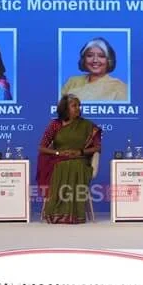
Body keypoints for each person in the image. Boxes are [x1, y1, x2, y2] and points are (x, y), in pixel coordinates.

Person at [37, 94, 102, 224]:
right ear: (65, 109)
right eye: (74, 106)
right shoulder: (55, 125)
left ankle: (74, 214)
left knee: (74, 165)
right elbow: (42, 147)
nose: (78, 108)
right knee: (62, 166)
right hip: (58, 160)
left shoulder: (88, 125)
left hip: (80, 159)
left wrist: (80, 152)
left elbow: (97, 147)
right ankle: (56, 212)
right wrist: (58, 152)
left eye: (79, 106)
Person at [60, 37, 128, 102]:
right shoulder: (72, 81)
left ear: (109, 60)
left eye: (101, 56)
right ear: (84, 59)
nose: (95, 60)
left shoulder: (120, 87)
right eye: (90, 55)